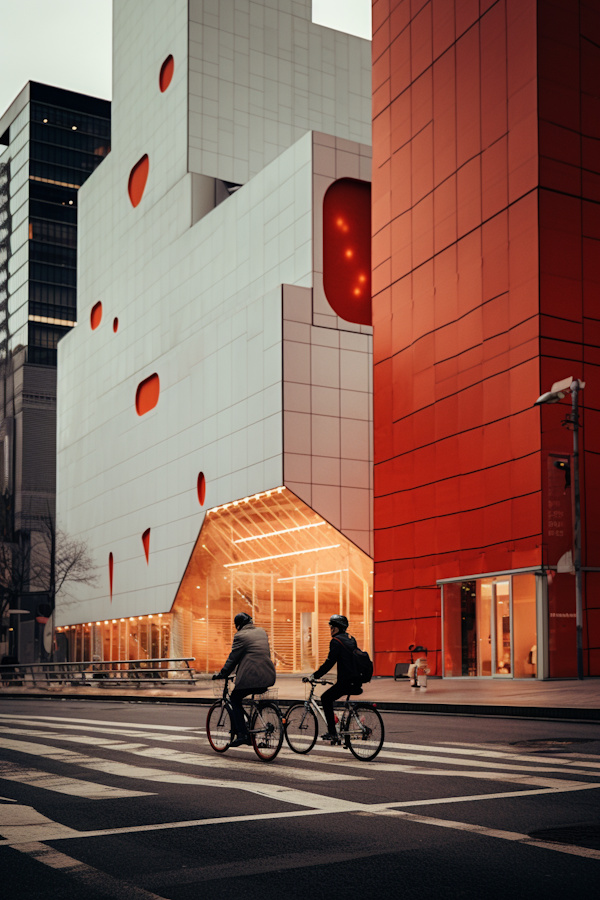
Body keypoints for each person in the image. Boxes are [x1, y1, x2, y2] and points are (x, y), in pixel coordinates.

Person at [213, 612, 276, 748]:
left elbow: (233, 658)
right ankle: (248, 728)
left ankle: (242, 734)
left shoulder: (240, 636)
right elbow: (255, 655)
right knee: (247, 697)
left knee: (235, 698)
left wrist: (223, 673)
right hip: (268, 675)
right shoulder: (261, 632)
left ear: (238, 625)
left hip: (252, 676)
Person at [311, 614, 362, 743]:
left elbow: (330, 662)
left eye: (332, 626)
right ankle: (340, 729)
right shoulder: (351, 638)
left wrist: (315, 675)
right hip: (356, 680)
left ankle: (332, 733)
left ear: (337, 628)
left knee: (325, 698)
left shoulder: (336, 641)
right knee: (334, 696)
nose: (331, 629)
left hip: (345, 681)